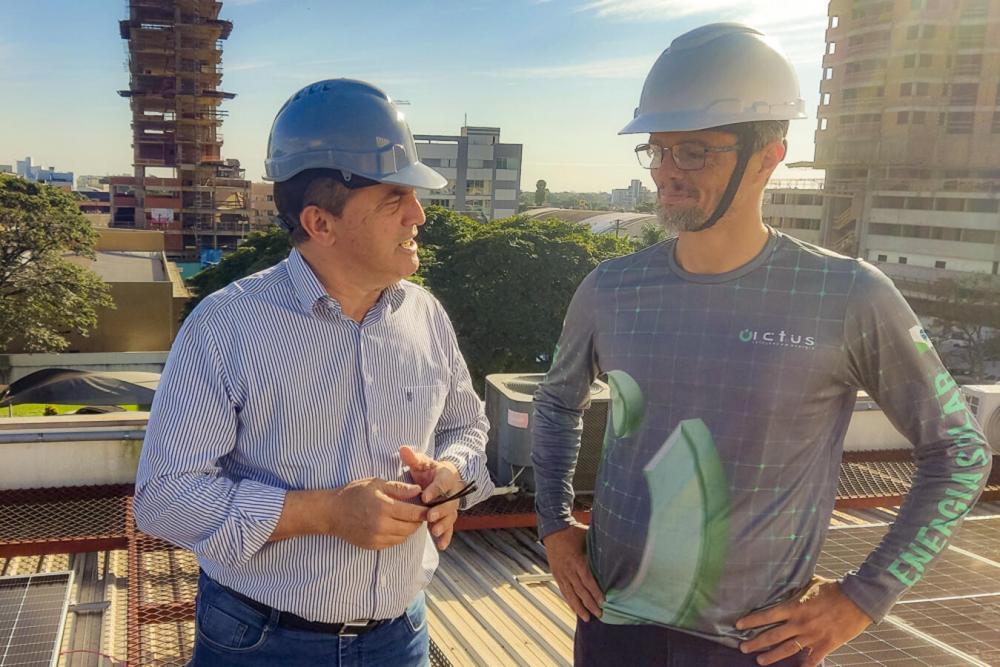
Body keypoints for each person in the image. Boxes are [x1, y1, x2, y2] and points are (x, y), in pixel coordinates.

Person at [532, 23, 991, 667]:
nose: (666, 172)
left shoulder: (848, 294)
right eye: (657, 150)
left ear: (770, 154)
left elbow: (959, 452)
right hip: (613, 629)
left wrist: (863, 599)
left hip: (754, 648)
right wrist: (553, 526)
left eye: (693, 152)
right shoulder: (612, 286)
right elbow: (556, 404)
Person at [134, 78, 494, 667]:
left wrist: (451, 476)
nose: (419, 214)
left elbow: (467, 426)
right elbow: (165, 499)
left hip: (400, 634)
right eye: (393, 198)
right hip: (261, 639)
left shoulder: (425, 314)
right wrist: (326, 512)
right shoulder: (227, 327)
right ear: (320, 223)